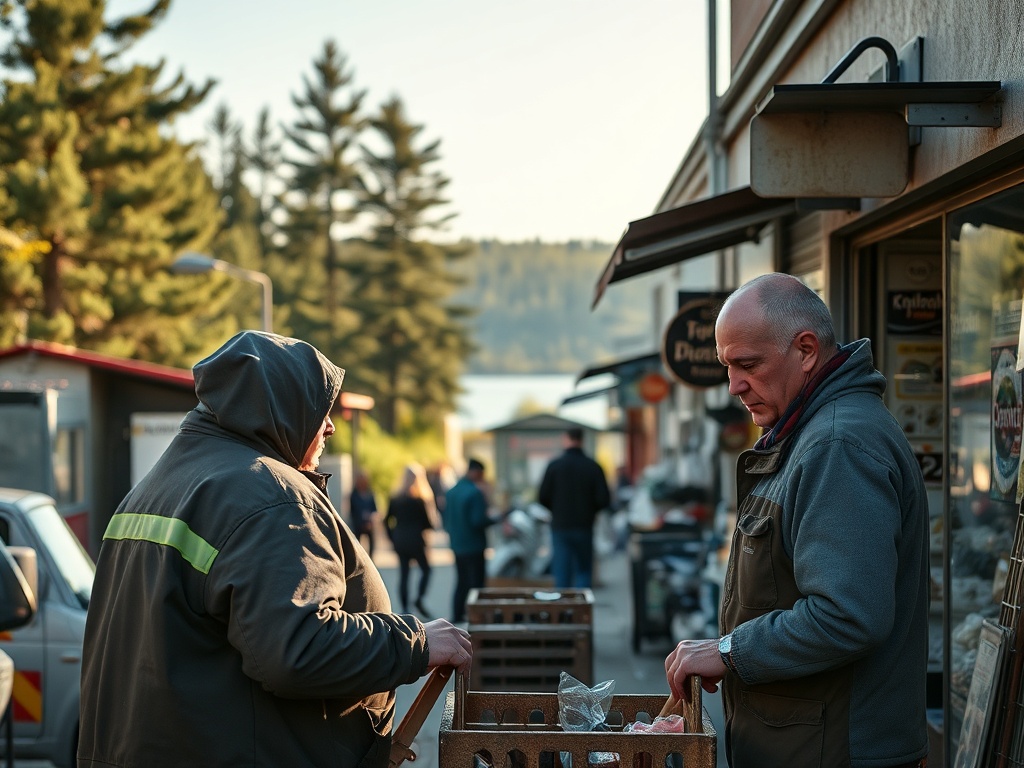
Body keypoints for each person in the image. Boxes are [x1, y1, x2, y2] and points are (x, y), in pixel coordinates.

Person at [78, 331, 472, 768]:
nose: (330, 426)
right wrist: (417, 643)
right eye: (319, 409)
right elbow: (300, 649)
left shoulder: (156, 486)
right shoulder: (268, 496)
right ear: (280, 408)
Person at [664, 274, 929, 768]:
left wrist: (729, 650)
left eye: (748, 365)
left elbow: (847, 615)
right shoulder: (810, 433)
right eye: (727, 367)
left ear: (806, 351)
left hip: (837, 752)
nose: (734, 386)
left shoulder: (837, 446)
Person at [537, 426, 611, 589]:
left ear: (566, 439)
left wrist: (556, 510)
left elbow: (542, 496)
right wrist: (590, 511)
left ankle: (563, 604)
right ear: (582, 440)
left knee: (562, 572)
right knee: (583, 570)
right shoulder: (593, 466)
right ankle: (582, 602)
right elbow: (604, 499)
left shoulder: (555, 466)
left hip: (561, 526)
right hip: (584, 526)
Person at [443, 458, 494, 623]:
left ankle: (457, 615)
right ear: (476, 472)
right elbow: (478, 521)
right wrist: (495, 519)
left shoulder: (452, 492)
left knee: (461, 581)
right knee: (477, 584)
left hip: (457, 544)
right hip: (474, 545)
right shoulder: (475, 493)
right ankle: (478, 618)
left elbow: (446, 519)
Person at [384, 463, 436, 617]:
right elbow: (429, 524)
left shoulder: (395, 498)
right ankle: (419, 598)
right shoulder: (420, 500)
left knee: (404, 574)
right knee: (426, 570)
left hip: (400, 540)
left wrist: (392, 537)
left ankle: (405, 608)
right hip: (417, 540)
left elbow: (386, 520)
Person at [349, 469, 378, 558]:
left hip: (369, 523)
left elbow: (374, 509)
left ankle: (371, 559)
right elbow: (352, 511)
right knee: (357, 543)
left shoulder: (370, 494)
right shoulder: (354, 495)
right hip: (358, 524)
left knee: (372, 541)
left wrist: (371, 519)